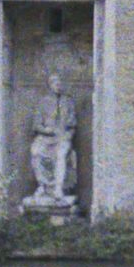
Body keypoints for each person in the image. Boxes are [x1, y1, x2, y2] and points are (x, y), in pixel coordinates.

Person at [26, 71, 78, 206]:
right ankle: (43, 185)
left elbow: (72, 124)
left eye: (60, 83)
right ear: (50, 85)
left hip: (62, 138)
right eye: (55, 83)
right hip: (45, 137)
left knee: (61, 155)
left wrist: (67, 135)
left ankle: (58, 188)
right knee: (35, 151)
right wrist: (46, 130)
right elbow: (36, 125)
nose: (58, 85)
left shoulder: (68, 102)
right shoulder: (43, 102)